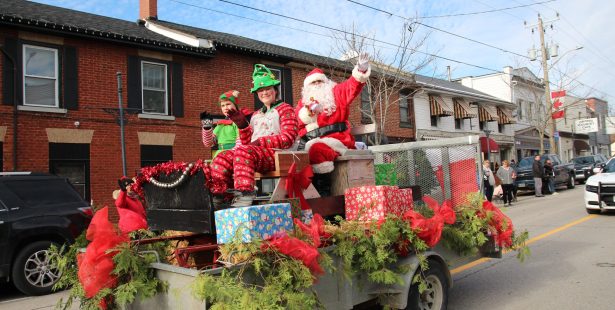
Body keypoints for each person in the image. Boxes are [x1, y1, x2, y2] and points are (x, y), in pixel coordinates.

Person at [207, 64, 299, 208]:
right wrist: (242, 125)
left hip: (278, 155)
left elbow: (288, 138)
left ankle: (245, 193)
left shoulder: (285, 109)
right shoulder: (256, 115)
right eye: (260, 90)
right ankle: (221, 194)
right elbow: (246, 142)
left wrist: (260, 142)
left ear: (275, 90)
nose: (264, 93)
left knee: (244, 151)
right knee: (222, 157)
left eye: (268, 89)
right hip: (256, 154)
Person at [295, 53, 371, 196]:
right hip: (308, 141)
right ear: (307, 88)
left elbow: (352, 86)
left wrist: (361, 69)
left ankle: (323, 195)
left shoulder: (336, 93)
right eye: (313, 83)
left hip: (336, 139)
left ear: (326, 83)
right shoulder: (303, 104)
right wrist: (309, 113)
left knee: (316, 149)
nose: (317, 85)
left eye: (320, 82)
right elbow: (296, 124)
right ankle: (305, 196)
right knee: (295, 156)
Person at [201, 90, 249, 159]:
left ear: (235, 105)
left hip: (234, 156)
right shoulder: (220, 125)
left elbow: (241, 142)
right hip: (219, 156)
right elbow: (209, 143)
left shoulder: (239, 122)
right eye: (222, 106)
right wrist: (207, 128)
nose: (225, 108)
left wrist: (229, 155)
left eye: (228, 104)